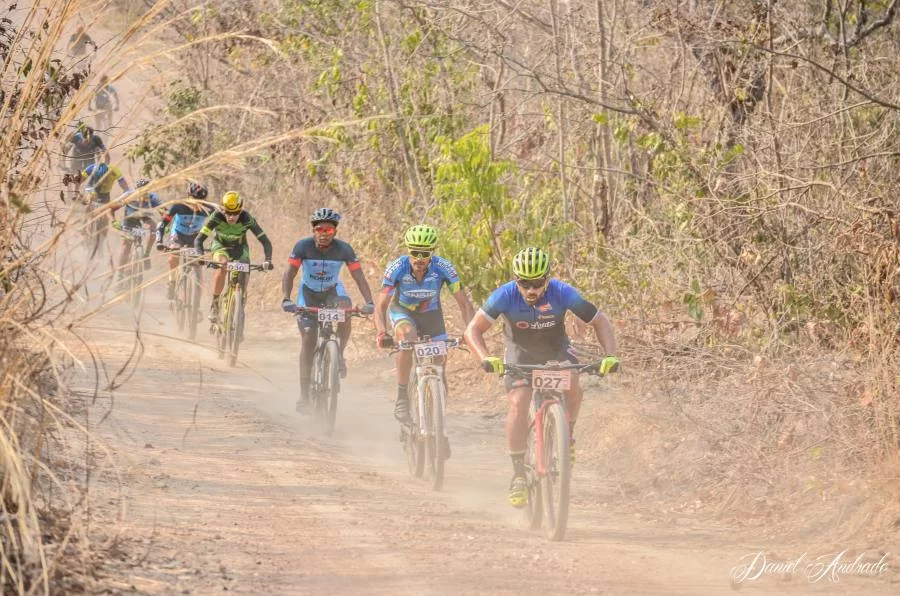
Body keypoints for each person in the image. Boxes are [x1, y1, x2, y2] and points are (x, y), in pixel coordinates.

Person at [463, 247, 620, 509]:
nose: (532, 290)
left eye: (537, 283)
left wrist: (610, 355)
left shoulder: (562, 292)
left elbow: (600, 321)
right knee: (520, 401)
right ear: (516, 280)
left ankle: (566, 437)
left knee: (572, 380)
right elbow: (472, 330)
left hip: (556, 348)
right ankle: (518, 475)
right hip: (520, 352)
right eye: (525, 284)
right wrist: (485, 358)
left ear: (547, 279)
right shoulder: (504, 295)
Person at [373, 224, 475, 428]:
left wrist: (471, 332)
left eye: (425, 253)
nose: (419, 258)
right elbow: (381, 305)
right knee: (408, 337)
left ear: (432, 252)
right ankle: (402, 396)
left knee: (440, 363)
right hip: (403, 312)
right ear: (408, 250)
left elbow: (464, 303)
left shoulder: (443, 268)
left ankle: (438, 425)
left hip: (431, 315)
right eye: (415, 252)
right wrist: (382, 332)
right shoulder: (397, 267)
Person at [280, 208, 375, 412]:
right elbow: (290, 273)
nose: (324, 233)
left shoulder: (344, 250)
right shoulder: (302, 247)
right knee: (309, 340)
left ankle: (338, 355)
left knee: (346, 309)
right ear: (314, 231)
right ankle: (304, 396)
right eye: (320, 229)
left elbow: (358, 276)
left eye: (329, 230)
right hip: (309, 294)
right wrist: (287, 299)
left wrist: (369, 302)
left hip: (332, 292)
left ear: (335, 232)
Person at [194, 191, 274, 320]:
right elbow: (199, 240)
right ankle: (215, 304)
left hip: (240, 248)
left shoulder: (247, 219)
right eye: (228, 213)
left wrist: (268, 260)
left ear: (240, 211)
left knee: (244, 273)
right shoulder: (217, 216)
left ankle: (240, 303)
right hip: (220, 246)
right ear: (223, 210)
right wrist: (200, 256)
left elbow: (265, 242)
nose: (231, 217)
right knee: (223, 265)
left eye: (235, 213)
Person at [155, 182, 217, 300]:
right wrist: (159, 241)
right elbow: (162, 224)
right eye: (194, 199)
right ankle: (172, 283)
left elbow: (219, 227)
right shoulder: (178, 206)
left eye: (201, 200)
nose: (198, 204)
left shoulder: (209, 209)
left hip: (195, 238)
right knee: (174, 254)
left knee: (199, 267)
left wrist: (217, 244)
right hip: (178, 235)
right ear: (188, 196)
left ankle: (196, 306)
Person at [113, 178, 161, 276]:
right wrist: (114, 221)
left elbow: (165, 212)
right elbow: (112, 208)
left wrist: (164, 225)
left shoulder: (153, 197)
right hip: (129, 220)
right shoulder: (129, 195)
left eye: (146, 192)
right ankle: (120, 275)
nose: (144, 195)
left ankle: (146, 254)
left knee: (154, 229)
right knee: (126, 247)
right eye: (141, 192)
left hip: (143, 217)